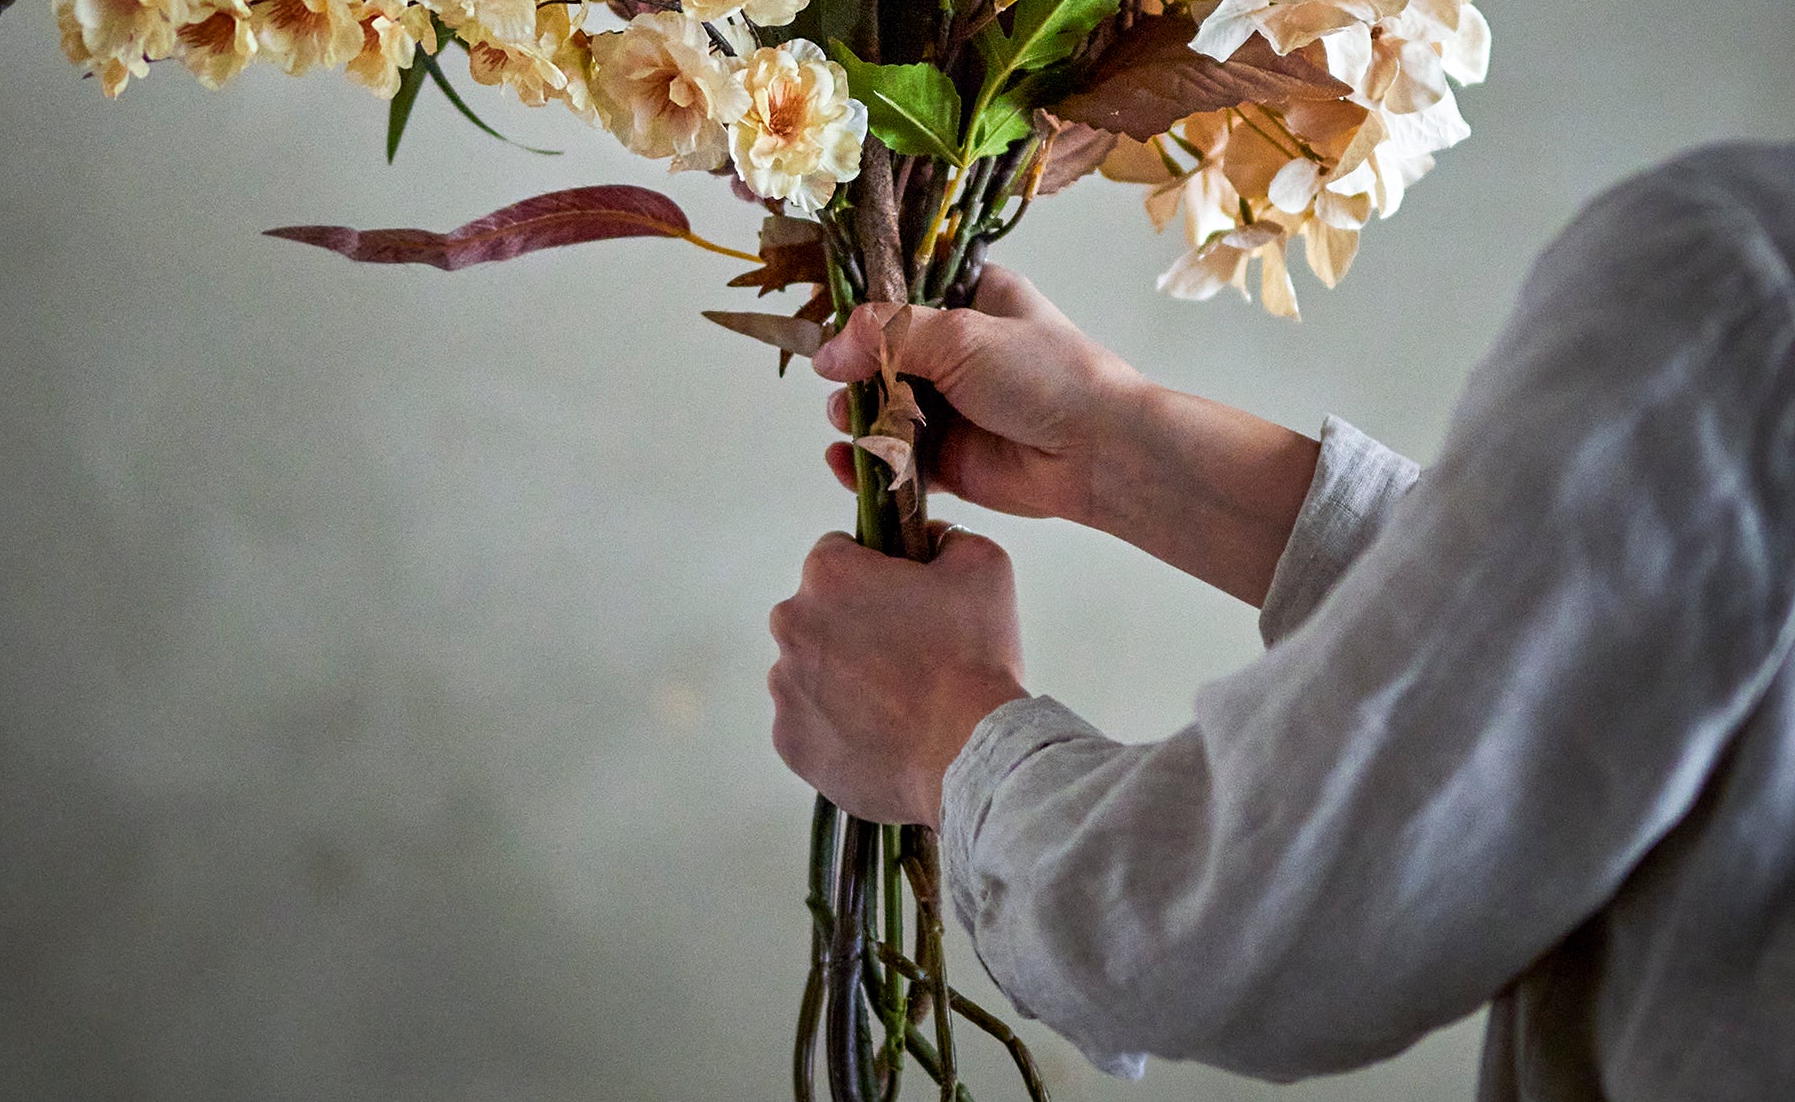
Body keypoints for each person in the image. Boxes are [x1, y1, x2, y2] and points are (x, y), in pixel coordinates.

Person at [767, 143, 1795, 1096]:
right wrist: (1116, 447)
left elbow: (1234, 921)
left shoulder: (1737, 269)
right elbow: (1603, 657)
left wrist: (944, 732)